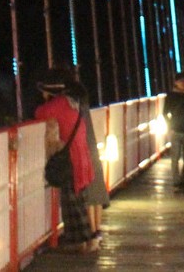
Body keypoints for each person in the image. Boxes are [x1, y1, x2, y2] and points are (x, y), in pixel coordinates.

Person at [32, 69, 97, 252]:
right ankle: (86, 241)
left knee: (71, 205)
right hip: (82, 158)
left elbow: (39, 113)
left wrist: (43, 102)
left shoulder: (57, 104)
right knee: (80, 203)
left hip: (71, 161)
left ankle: (81, 243)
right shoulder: (72, 102)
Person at [66, 69, 109, 244]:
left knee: (89, 193)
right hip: (92, 147)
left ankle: (91, 232)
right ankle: (97, 229)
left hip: (81, 151)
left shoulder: (69, 106)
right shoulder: (83, 103)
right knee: (96, 191)